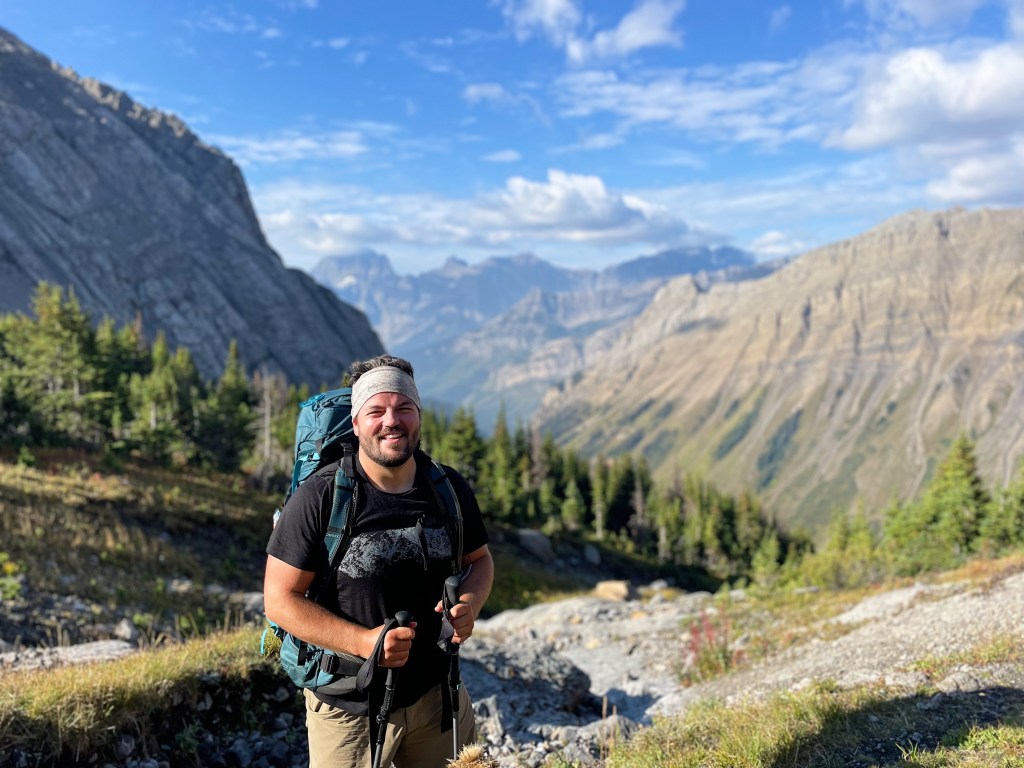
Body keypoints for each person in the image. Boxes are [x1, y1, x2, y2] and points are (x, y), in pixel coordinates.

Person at [264, 354, 494, 768]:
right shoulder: (321, 498)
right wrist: (365, 643)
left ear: (419, 416)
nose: (392, 421)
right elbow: (280, 600)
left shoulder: (447, 488)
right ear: (356, 423)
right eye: (376, 411)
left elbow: (480, 561)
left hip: (438, 698)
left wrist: (470, 605)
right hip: (348, 708)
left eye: (404, 407)